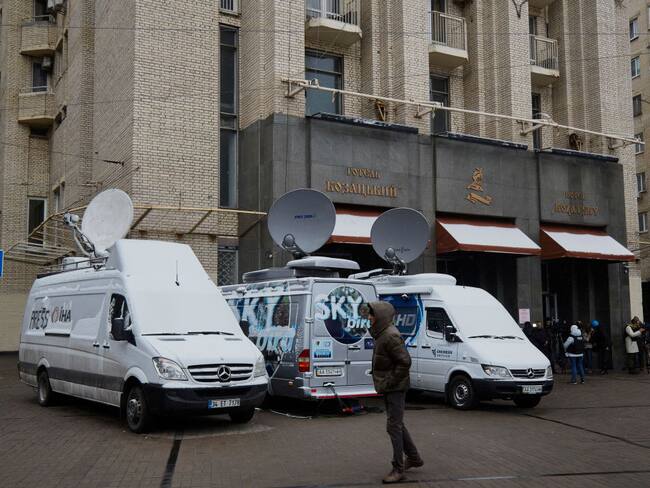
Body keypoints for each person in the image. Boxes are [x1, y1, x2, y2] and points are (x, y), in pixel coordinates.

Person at [368, 301, 422, 484]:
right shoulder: (382, 334)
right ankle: (414, 458)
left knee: (394, 426)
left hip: (395, 388)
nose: (369, 318)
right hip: (391, 387)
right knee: (397, 424)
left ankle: (398, 469)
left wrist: (390, 381)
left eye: (371, 315)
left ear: (380, 316)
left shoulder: (390, 336)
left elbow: (405, 362)